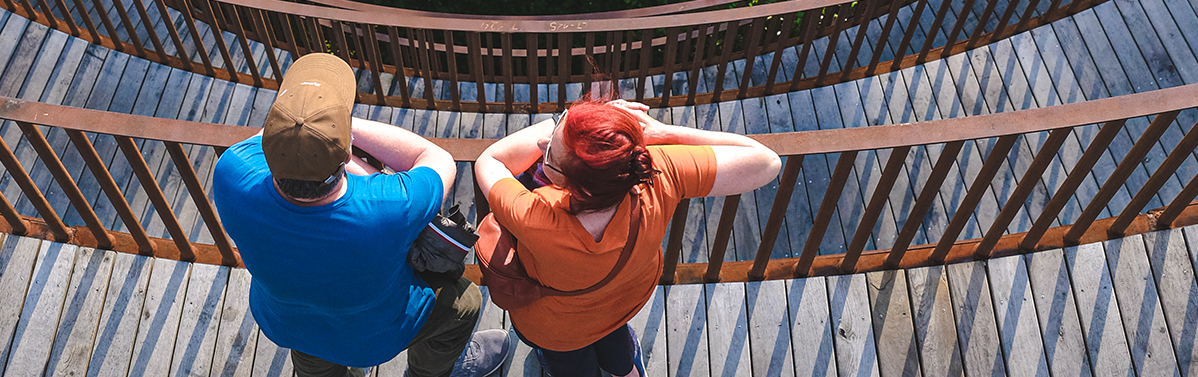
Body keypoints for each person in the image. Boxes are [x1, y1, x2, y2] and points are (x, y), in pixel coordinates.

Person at [214, 53, 510, 377]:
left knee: (312, 349)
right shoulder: (390, 206)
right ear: (348, 147)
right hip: (373, 338)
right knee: (465, 305)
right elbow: (437, 158)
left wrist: (311, 133)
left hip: (284, 321)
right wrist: (337, 128)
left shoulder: (231, 172)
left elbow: (264, 140)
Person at [474, 98, 782, 377]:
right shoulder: (660, 175)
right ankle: (626, 371)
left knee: (570, 367)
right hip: (624, 299)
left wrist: (555, 123)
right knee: (619, 351)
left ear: (572, 184)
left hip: (558, 327)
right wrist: (661, 133)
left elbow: (490, 161)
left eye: (548, 155)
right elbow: (767, 161)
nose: (541, 144)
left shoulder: (533, 214)